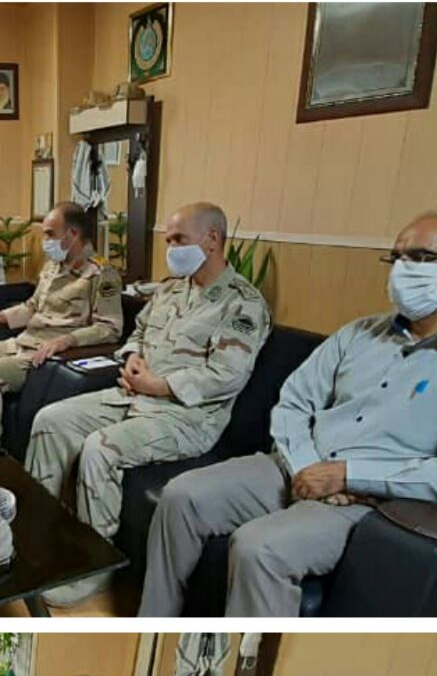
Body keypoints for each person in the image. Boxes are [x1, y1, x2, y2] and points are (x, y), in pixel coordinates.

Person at [140, 210, 437, 617]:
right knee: (181, 495)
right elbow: (293, 402)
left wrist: (348, 475)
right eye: (396, 258)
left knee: (260, 547)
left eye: (419, 258)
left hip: (370, 500)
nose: (401, 270)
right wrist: (305, 466)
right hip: (295, 465)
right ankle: (154, 620)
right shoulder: (358, 334)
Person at [26, 202, 270, 607]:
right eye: (168, 240)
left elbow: (226, 374)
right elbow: (137, 333)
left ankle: (94, 566)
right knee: (51, 420)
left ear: (212, 240)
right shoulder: (171, 289)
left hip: (186, 417)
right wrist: (132, 358)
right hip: (133, 394)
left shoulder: (243, 303)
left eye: (179, 240)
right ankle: (40, 537)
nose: (171, 249)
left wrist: (158, 384)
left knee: (100, 449)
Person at [0, 203, 123, 448]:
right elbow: (32, 307)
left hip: (47, 356)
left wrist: (67, 341)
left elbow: (110, 328)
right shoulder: (53, 267)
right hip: (22, 343)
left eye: (50, 234)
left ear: (73, 234)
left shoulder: (101, 274)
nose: (45, 241)